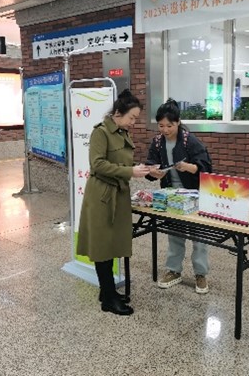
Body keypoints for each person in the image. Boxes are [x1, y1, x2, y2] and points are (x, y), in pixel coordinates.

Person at [77, 89, 150, 316]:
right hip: (102, 195)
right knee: (103, 246)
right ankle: (108, 299)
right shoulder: (101, 133)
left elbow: (121, 162)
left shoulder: (121, 132)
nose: (133, 123)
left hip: (118, 193)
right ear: (118, 113)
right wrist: (130, 172)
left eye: (136, 118)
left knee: (111, 244)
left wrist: (143, 170)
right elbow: (97, 164)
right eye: (132, 117)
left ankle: (106, 291)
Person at [146, 99, 213, 293]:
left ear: (178, 122)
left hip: (194, 196)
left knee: (199, 237)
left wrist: (188, 167)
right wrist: (154, 172)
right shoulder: (157, 142)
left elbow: (206, 168)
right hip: (171, 196)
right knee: (175, 235)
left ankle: (200, 274)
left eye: (169, 125)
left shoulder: (189, 140)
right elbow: (150, 164)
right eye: (161, 126)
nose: (165, 130)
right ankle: (174, 271)